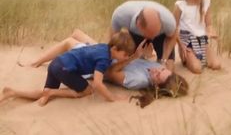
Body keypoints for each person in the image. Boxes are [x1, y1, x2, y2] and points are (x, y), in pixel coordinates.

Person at [15, 29, 188, 96]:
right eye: (162, 70)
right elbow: (173, 34)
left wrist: (133, 58)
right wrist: (146, 55)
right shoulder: (160, 67)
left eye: (158, 76)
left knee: (69, 41)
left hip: (99, 65)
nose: (157, 70)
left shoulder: (138, 81)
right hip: (108, 54)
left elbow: (110, 74)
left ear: (156, 86)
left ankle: (36, 64)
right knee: (76, 33)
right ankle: (39, 65)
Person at [0, 30, 136, 105]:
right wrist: (113, 98)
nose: (126, 57)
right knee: (88, 90)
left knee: (44, 93)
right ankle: (53, 93)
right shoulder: (104, 59)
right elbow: (98, 83)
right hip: (64, 69)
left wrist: (132, 57)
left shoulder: (102, 47)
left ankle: (13, 92)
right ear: (115, 49)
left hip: (56, 62)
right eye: (125, 54)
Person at [173, 0, 221, 74]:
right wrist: (181, 45)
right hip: (187, 42)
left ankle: (199, 56)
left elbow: (208, 25)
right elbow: (173, 28)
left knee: (216, 65)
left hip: (202, 40)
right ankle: (186, 57)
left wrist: (211, 33)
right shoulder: (180, 5)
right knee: (197, 69)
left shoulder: (205, 2)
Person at [111, 0, 177, 71]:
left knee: (168, 68)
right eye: (150, 34)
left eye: (154, 34)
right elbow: (113, 41)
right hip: (134, 33)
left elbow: (172, 36)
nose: (152, 38)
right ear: (138, 25)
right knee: (125, 61)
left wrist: (164, 60)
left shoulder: (169, 22)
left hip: (161, 35)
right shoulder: (121, 15)